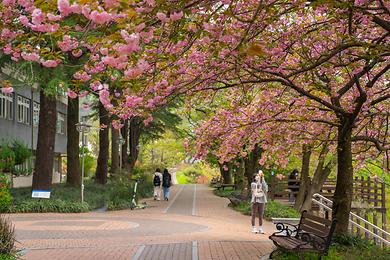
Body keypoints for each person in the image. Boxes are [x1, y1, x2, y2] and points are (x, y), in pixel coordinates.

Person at [251, 169, 268, 234]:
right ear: (254, 178)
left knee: (261, 215)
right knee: (254, 214)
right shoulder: (253, 184)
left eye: (259, 176)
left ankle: (260, 228)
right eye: (256, 176)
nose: (258, 177)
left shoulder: (263, 182)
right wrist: (259, 180)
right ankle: (254, 227)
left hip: (262, 200)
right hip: (255, 200)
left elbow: (265, 188)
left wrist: (262, 178)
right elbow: (257, 187)